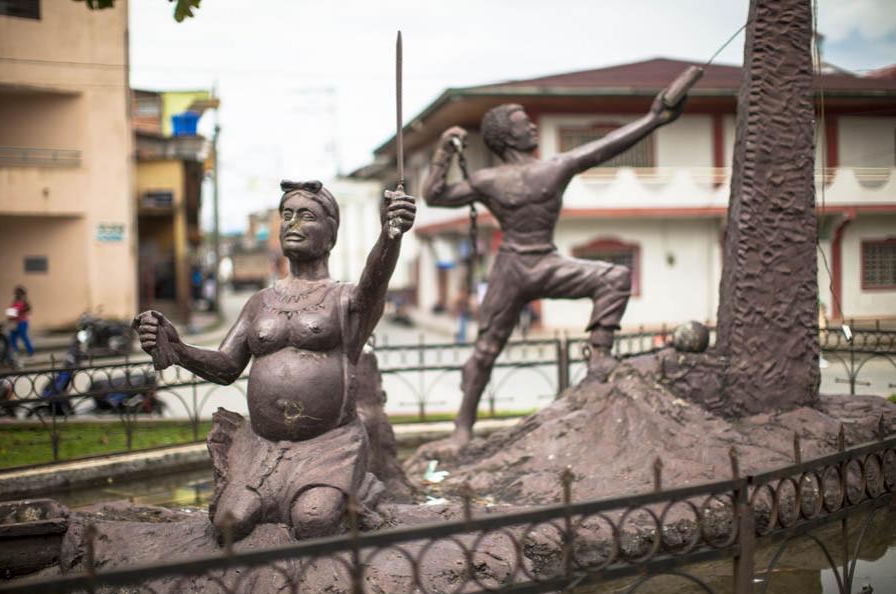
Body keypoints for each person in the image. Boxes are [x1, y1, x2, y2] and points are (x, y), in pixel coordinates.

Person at [133, 180, 415, 541]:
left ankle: (360, 491)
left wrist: (391, 236)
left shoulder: (346, 300)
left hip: (328, 446)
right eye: (287, 215)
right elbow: (225, 366)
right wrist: (177, 348)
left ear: (330, 235)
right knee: (228, 524)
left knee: (313, 521)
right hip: (262, 449)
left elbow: (375, 281)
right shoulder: (260, 302)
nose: (293, 224)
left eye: (307, 216)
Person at [422, 85, 688, 450]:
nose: (532, 127)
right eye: (522, 123)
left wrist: (654, 119)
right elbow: (434, 195)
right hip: (510, 269)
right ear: (504, 136)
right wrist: (443, 151)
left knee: (615, 276)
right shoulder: (487, 180)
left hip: (547, 261)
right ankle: (462, 428)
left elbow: (606, 146)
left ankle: (599, 357)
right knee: (485, 351)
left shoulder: (555, 167)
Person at [8, 286, 34, 358]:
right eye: (17, 293)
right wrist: (10, 318)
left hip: (22, 322)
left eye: (19, 293)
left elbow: (28, 309)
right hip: (15, 323)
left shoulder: (24, 301)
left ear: (22, 293)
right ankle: (15, 353)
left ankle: (30, 352)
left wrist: (21, 310)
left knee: (24, 337)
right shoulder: (14, 302)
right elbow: (11, 313)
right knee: (12, 339)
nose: (17, 294)